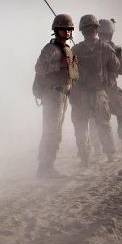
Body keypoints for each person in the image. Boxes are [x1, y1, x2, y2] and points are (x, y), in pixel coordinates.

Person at [70, 14, 121, 166]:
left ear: (82, 31)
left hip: (81, 95)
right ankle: (111, 155)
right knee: (104, 125)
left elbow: (71, 73)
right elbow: (116, 67)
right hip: (100, 94)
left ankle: (84, 158)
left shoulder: (75, 50)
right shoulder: (106, 48)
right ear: (97, 30)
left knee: (81, 126)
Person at [33, 14, 78, 178]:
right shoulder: (51, 49)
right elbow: (39, 68)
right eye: (63, 29)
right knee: (51, 131)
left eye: (69, 29)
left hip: (63, 94)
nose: (67, 33)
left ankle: (48, 166)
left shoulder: (67, 49)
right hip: (53, 94)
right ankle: (45, 167)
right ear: (56, 30)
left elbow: (72, 74)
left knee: (56, 131)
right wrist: (59, 65)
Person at [91, 18, 122, 152]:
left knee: (96, 116)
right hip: (110, 88)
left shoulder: (90, 46)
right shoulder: (115, 48)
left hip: (95, 89)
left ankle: (96, 146)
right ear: (111, 33)